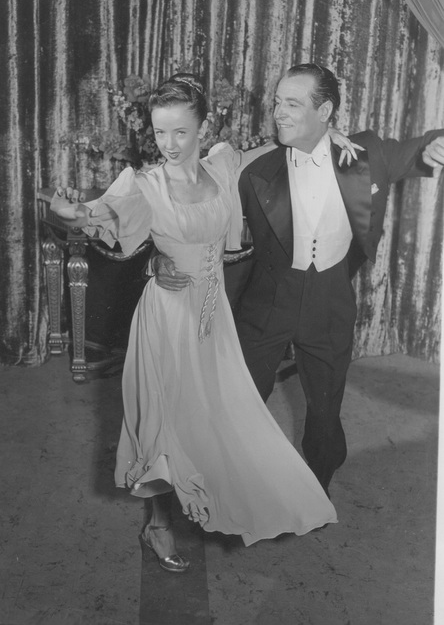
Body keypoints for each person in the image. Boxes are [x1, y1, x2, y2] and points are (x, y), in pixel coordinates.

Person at [50, 73, 343, 574]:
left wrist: (333, 135)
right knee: (164, 426)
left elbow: (287, 140)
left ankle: (220, 499)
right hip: (167, 318)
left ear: (203, 128)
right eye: (159, 132)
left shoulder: (224, 165)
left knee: (217, 417)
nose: (167, 144)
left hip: (215, 320)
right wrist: (69, 214)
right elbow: (96, 216)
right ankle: (158, 524)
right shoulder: (143, 184)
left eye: (180, 132)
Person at [155, 63, 444, 498]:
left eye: (292, 104)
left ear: (325, 110)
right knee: (239, 398)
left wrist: (435, 144)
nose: (278, 113)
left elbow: (417, 150)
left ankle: (318, 482)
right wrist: (163, 257)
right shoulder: (257, 169)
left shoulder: (364, 156)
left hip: (330, 297)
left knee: (325, 407)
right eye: (277, 103)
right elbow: (195, 212)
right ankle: (228, 481)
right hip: (269, 298)